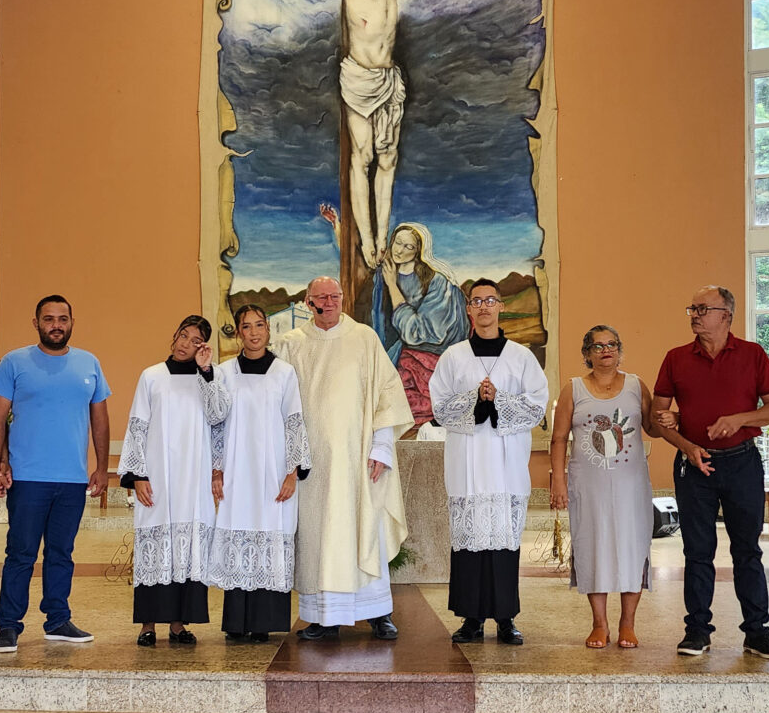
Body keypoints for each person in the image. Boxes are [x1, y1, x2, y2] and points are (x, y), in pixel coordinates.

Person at [291, 0, 435, 268]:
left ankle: (382, 237)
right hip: (360, 79)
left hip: (388, 81)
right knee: (363, 155)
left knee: (388, 158)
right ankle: (366, 240)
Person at [271, 275, 412, 640]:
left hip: (358, 459)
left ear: (343, 298)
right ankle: (324, 617)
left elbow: (387, 393)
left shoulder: (364, 338)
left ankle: (378, 613)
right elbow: (274, 398)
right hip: (312, 465)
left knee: (365, 530)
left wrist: (382, 446)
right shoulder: (291, 344)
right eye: (321, 297)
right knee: (320, 537)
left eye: (334, 296)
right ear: (308, 302)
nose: (329, 303)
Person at [652, 285, 769, 660]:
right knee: (697, 552)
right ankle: (697, 631)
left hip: (743, 463)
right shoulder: (676, 358)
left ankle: (757, 633)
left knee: (747, 551)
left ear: (726, 315)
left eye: (703, 309)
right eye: (692, 309)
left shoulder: (753, 354)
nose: (694, 315)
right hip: (694, 465)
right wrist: (686, 445)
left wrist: (739, 419)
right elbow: (657, 418)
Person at [0, 295, 110, 653]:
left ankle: (57, 620)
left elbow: (100, 419)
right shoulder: (14, 362)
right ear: (36, 323)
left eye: (62, 319)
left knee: (61, 553)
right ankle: (8, 625)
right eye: (49, 318)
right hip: (27, 479)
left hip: (72, 479)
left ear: (71, 322)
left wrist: (101, 468)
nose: (56, 325)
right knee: (21, 553)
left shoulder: (89, 363)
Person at [429, 278, 548, 645]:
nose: (484, 307)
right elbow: (439, 407)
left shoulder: (521, 357)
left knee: (503, 544)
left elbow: (536, 406)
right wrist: (476, 399)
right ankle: (471, 619)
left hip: (506, 466)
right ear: (469, 308)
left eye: (490, 300)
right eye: (477, 301)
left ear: (500, 306)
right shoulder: (453, 357)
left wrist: (500, 399)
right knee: (469, 545)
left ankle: (506, 618)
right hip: (466, 463)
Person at [118, 316, 229, 646]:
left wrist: (206, 372)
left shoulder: (209, 378)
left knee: (188, 550)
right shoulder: (152, 376)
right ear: (175, 336)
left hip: (194, 480)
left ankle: (179, 625)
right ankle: (148, 625)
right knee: (156, 549)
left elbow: (219, 416)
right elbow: (138, 425)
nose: (185, 344)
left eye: (195, 341)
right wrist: (138, 475)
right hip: (159, 479)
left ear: (203, 347)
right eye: (183, 335)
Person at [549, 326, 658, 649]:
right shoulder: (573, 389)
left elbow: (652, 426)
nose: (605, 350)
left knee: (632, 547)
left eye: (611, 344)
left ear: (620, 350)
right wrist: (558, 481)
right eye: (597, 346)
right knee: (592, 547)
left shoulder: (636, 386)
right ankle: (599, 624)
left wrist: (673, 420)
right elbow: (559, 438)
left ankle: (627, 624)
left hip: (631, 485)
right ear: (587, 354)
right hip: (588, 485)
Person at [208, 305, 311, 642]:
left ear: (268, 330)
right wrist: (217, 469)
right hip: (237, 471)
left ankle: (264, 622)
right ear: (238, 332)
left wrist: (292, 472)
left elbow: (294, 422)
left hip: (273, 472)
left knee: (269, 533)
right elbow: (216, 423)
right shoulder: (224, 372)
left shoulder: (284, 373)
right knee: (239, 531)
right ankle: (237, 623)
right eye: (246, 326)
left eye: (259, 325)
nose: (253, 333)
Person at [372, 222, 468, 426]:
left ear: (419, 251)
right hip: (403, 352)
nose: (399, 250)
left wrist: (392, 286)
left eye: (408, 246)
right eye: (398, 242)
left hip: (432, 356)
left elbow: (419, 333)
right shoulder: (385, 273)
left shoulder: (437, 282)